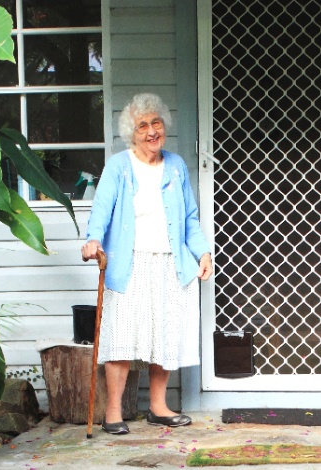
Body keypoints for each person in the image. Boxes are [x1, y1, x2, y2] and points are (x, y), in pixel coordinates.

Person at [81, 93, 213, 435]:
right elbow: (101, 209)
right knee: (122, 336)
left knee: (164, 336)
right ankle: (113, 412)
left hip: (171, 264)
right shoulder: (119, 166)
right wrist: (93, 239)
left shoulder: (176, 165)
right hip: (130, 264)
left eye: (156, 123)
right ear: (132, 132)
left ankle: (158, 407)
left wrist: (203, 252)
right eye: (143, 125)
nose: (152, 131)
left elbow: (189, 217)